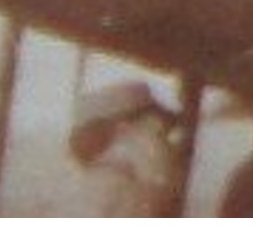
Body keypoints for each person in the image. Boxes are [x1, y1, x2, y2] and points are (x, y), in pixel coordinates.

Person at [69, 81, 184, 216]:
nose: (166, 147)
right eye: (157, 133)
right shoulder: (110, 186)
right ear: (122, 132)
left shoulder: (137, 187)